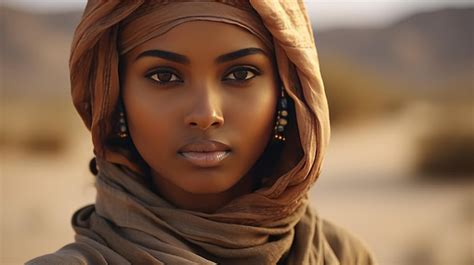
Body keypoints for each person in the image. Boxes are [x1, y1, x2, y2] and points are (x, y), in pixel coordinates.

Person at [27, 1, 376, 264]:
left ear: (287, 93)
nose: (206, 114)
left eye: (240, 74)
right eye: (164, 77)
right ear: (115, 97)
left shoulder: (342, 254)